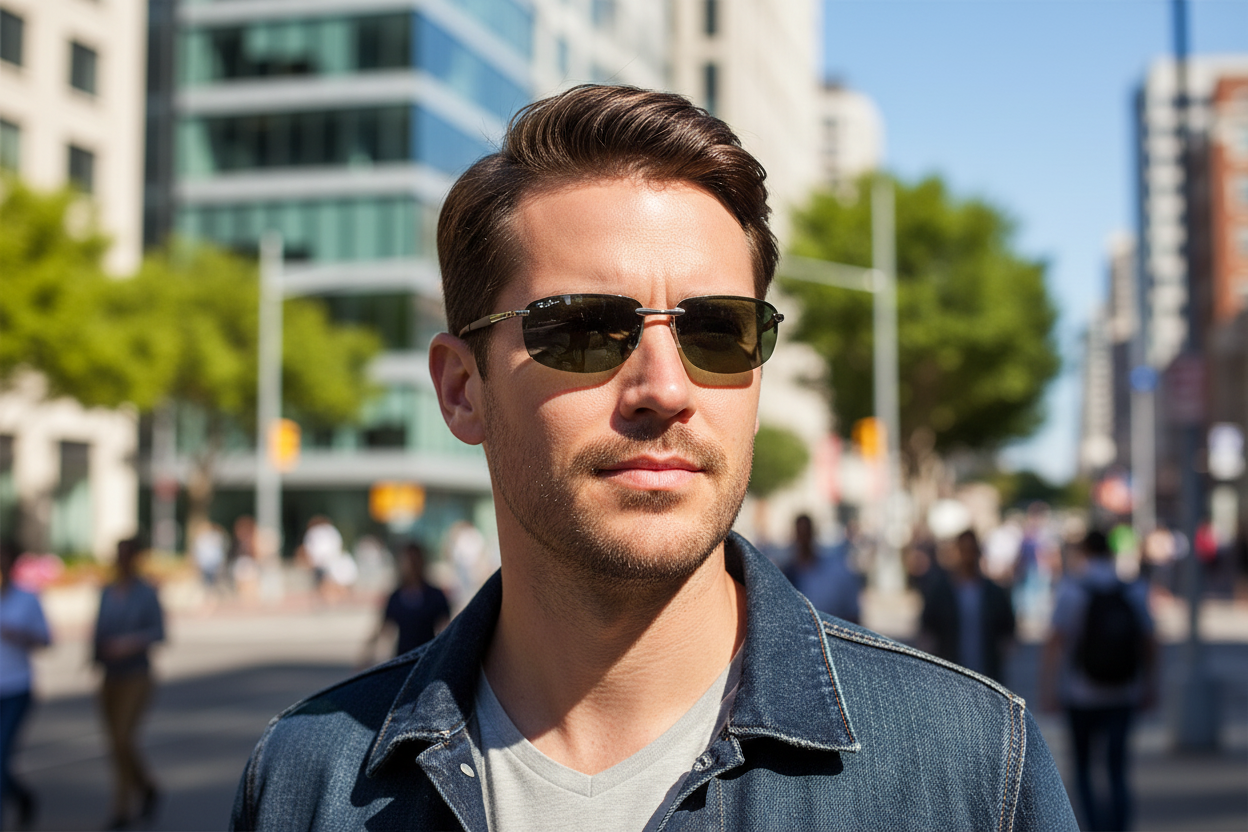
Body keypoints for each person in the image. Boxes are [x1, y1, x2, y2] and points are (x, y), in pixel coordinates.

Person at [232, 84, 1076, 831]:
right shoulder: (309, 779)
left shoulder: (967, 769)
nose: (664, 387)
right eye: (585, 330)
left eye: (718, 330)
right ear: (462, 390)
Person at [1042, 529, 1157, 832]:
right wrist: (1150, 685)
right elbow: (1149, 640)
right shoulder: (1133, 590)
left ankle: (1092, 825)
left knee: (1082, 769)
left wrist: (1049, 690)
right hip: (1123, 691)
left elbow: (1055, 643)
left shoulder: (1071, 590)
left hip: (1081, 693)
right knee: (1117, 769)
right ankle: (1118, 826)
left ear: (1084, 553)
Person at [93, 538, 165, 830]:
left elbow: (159, 632)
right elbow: (98, 630)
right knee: (116, 744)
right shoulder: (107, 592)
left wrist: (129, 644)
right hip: (109, 674)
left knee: (123, 738)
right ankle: (147, 787)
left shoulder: (146, 593)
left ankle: (121, 808)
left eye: (126, 555)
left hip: (137, 674)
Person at [918, 529, 1017, 685]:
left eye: (971, 550)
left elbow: (1008, 631)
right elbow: (927, 630)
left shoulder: (993, 592)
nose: (968, 556)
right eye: (964, 550)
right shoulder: (941, 591)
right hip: (949, 673)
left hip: (986, 673)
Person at [0, 542, 51, 829]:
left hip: (16, 689)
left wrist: (19, 635)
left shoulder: (27, 598)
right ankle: (22, 797)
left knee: (0, 758)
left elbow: (45, 640)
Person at [361, 542, 451, 663]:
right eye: (409, 562)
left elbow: (447, 628)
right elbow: (383, 628)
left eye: (415, 561)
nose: (412, 566)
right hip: (403, 659)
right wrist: (366, 657)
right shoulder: (396, 597)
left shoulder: (435, 595)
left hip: (428, 659)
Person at [780, 514, 860, 624]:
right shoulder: (788, 574)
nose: (803, 539)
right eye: (801, 533)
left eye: (806, 533)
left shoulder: (831, 573)